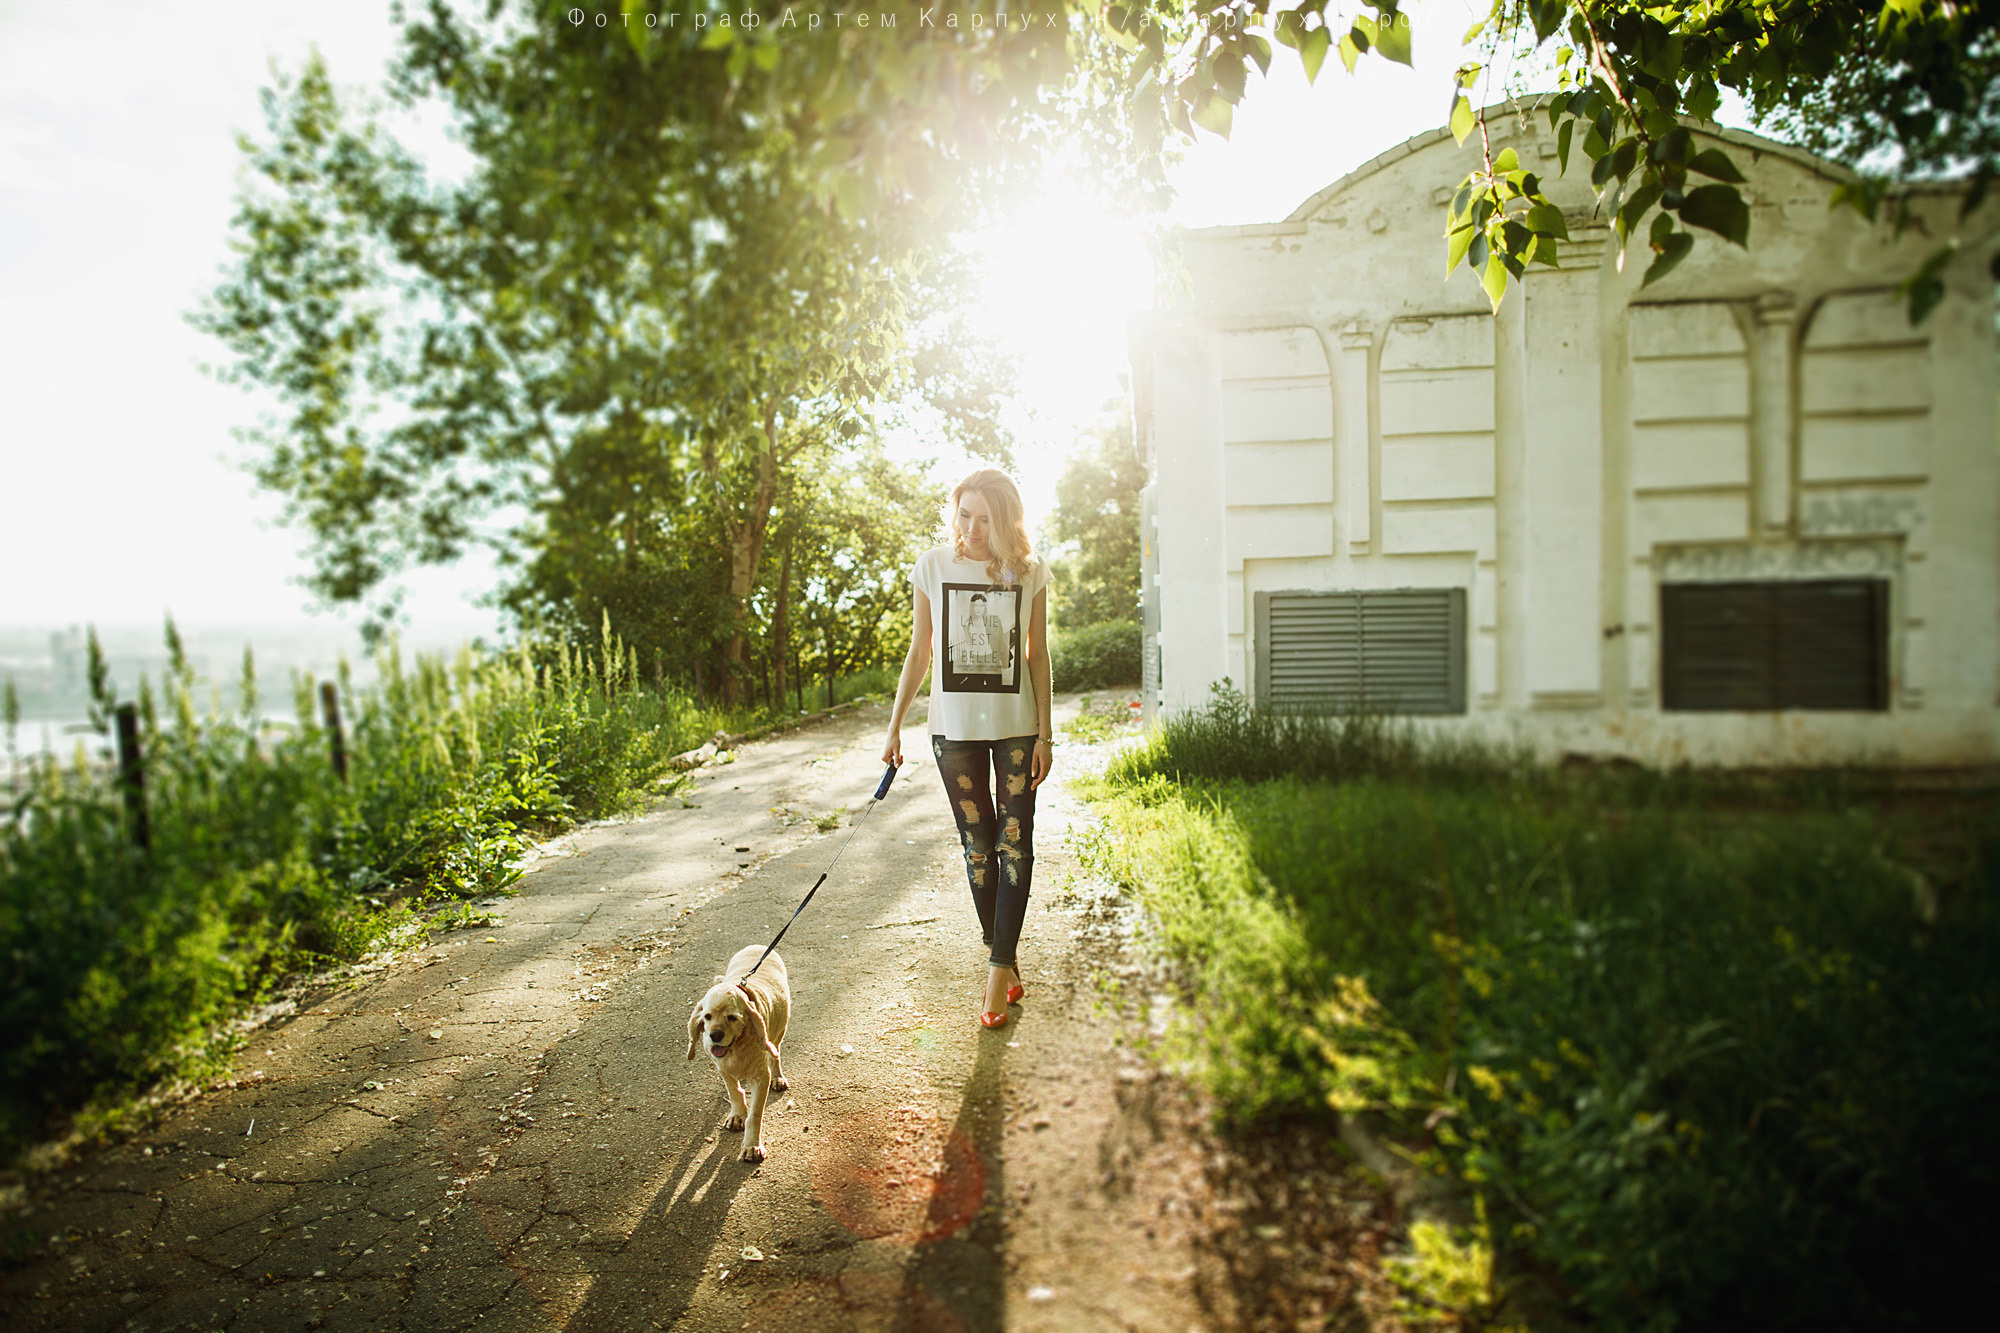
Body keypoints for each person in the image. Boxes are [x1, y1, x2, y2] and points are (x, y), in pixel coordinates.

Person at [883, 468, 1053, 1028]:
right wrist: (894, 726)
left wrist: (1046, 732)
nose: (973, 528)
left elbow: (1037, 656)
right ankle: (1004, 956)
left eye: (985, 518)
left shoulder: (1028, 572)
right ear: (954, 512)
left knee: (1014, 843)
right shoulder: (932, 567)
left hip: (1015, 729)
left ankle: (997, 971)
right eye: (964, 514)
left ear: (1004, 519)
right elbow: (920, 651)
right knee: (977, 848)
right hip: (951, 730)